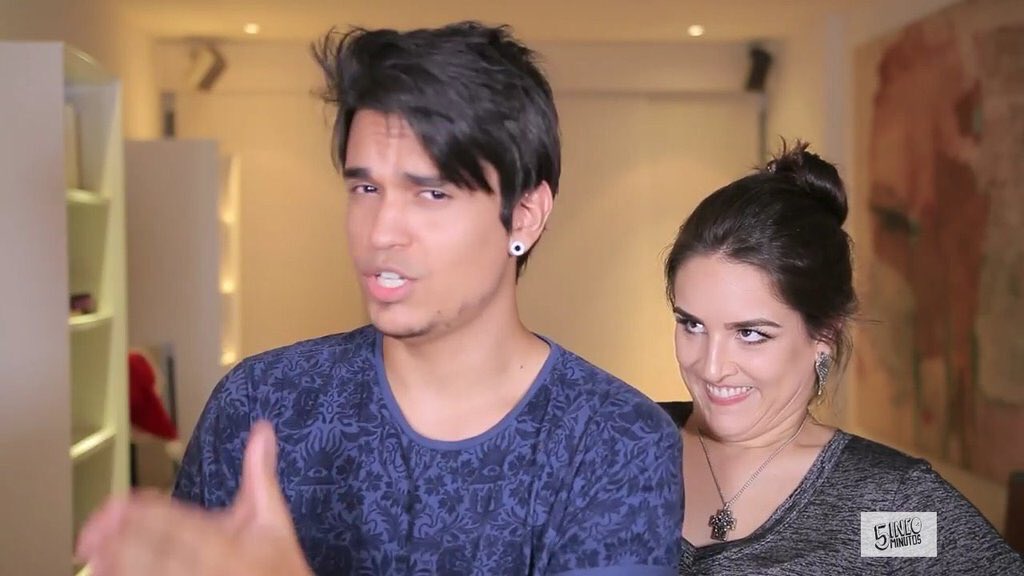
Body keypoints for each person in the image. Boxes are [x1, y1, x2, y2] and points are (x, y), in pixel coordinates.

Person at [75, 21, 683, 576]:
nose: (381, 231)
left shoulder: (616, 442)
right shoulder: (260, 403)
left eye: (431, 194)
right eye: (365, 188)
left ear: (524, 215)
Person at [661, 141, 1024, 574]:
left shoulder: (884, 509)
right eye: (692, 325)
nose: (711, 366)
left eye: (750, 333)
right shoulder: (616, 443)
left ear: (824, 334)